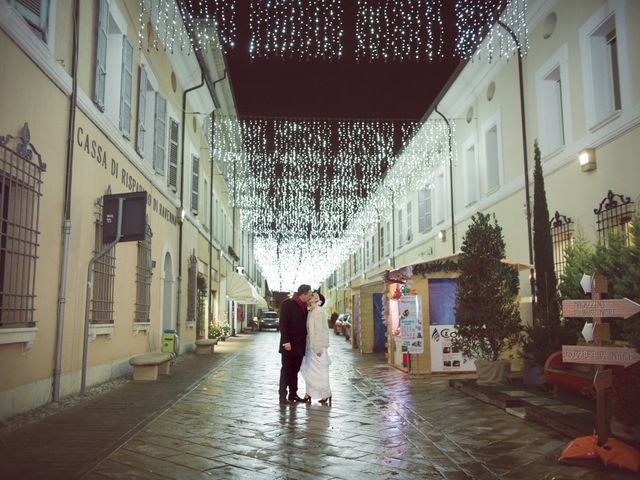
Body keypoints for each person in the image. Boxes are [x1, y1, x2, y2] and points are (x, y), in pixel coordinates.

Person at [278, 284, 313, 404]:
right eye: (309, 294)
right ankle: (283, 396)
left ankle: (293, 394)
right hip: (289, 345)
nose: (310, 296)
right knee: (286, 370)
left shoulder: (304, 307)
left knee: (295, 371)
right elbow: (283, 324)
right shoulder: (287, 304)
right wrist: (286, 341)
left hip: (300, 345)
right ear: (302, 294)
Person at [301, 291, 332, 405]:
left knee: (321, 371)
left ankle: (325, 394)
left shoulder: (319, 311)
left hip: (317, 346)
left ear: (317, 299)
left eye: (312, 296)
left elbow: (319, 331)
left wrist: (318, 348)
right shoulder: (311, 311)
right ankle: (309, 393)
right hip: (310, 345)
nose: (310, 297)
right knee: (309, 371)